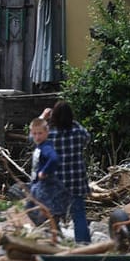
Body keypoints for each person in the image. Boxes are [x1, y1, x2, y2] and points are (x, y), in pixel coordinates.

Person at [46, 100, 93, 242]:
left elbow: (32, 138)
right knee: (78, 214)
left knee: (53, 215)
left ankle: (55, 243)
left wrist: (43, 117)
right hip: (76, 182)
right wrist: (74, 123)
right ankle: (83, 245)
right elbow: (88, 138)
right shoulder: (77, 131)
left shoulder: (49, 134)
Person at [24, 116, 70, 228]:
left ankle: (53, 229)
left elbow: (54, 158)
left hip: (45, 185)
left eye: (40, 133)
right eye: (34, 134)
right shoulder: (38, 143)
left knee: (47, 209)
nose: (37, 136)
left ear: (46, 132)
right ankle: (47, 228)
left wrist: (44, 171)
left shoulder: (46, 147)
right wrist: (43, 116)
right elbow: (32, 135)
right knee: (30, 207)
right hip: (36, 184)